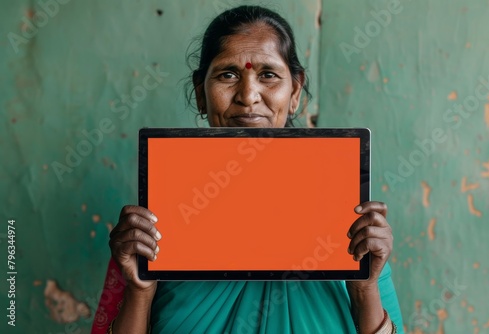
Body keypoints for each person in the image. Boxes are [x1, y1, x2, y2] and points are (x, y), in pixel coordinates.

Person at [94, 5, 403, 334]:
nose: (248, 95)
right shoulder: (155, 221)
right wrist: (140, 290)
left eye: (268, 75)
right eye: (228, 74)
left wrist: (364, 288)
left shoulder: (347, 216)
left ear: (295, 91)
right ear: (201, 94)